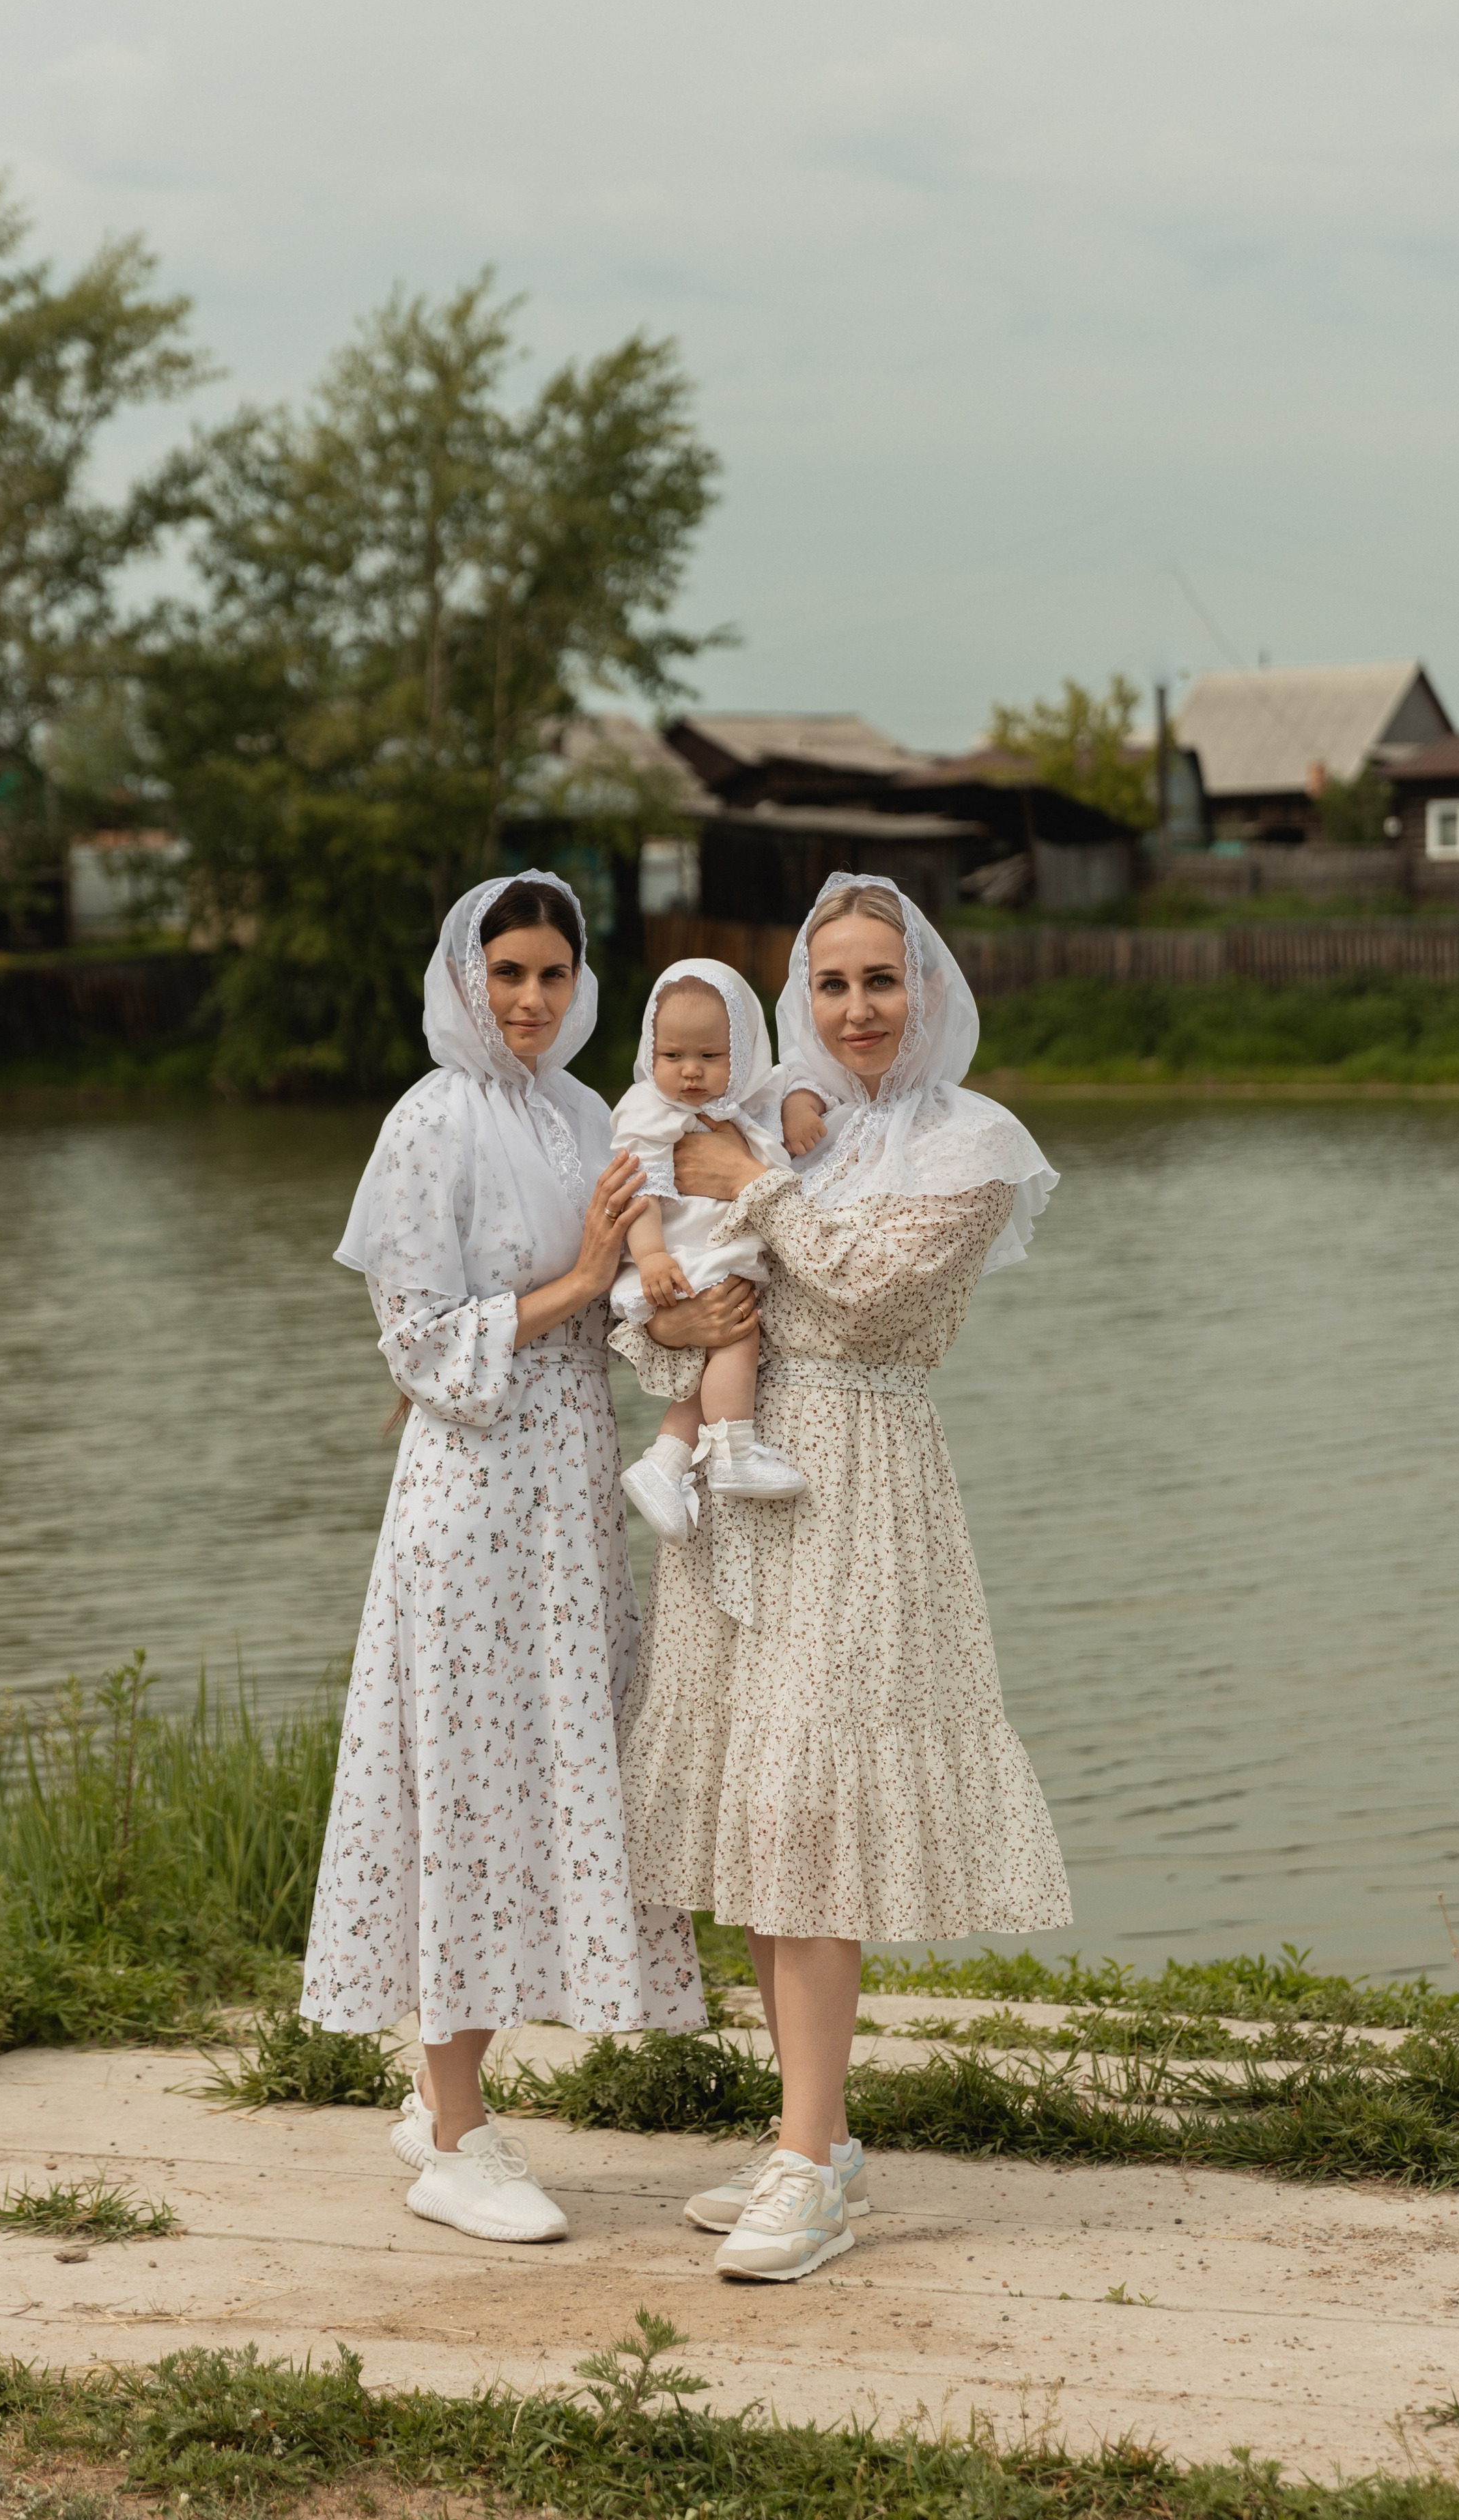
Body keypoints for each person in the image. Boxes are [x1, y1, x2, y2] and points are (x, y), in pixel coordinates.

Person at [612, 872, 1071, 2284]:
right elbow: (679, 1310)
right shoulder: (763, 1122)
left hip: (858, 1480)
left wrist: (753, 1189)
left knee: (809, 1809)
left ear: (923, 991)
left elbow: (870, 1295)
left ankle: (809, 2168)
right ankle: (810, 2132)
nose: (857, 1009)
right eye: (829, 985)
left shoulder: (970, 1142)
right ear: (798, 1000)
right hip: (733, 1477)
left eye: (881, 980)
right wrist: (673, 1310)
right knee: (759, 1804)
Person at [300, 870, 705, 2247]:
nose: (527, 999)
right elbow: (419, 1345)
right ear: (464, 979)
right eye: (506, 974)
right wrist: (582, 1285)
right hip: (469, 1498)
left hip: (570, 1496)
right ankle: (455, 2128)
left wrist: (670, 1296)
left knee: (548, 1778)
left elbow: (623, 1301)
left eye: (549, 974)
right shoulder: (431, 1121)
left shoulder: (590, 1114)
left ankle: (440, 2094)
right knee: (466, 1784)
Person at [611, 958, 808, 1540]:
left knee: (711, 1357)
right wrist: (649, 1257)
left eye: (710, 1057)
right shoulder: (652, 1110)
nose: (690, 1073)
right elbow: (638, 1190)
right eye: (672, 1057)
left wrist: (803, 1108)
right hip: (687, 1253)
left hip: (713, 1250)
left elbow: (801, 1080)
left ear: (742, 1054)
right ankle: (731, 1453)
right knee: (737, 1334)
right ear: (652, 1053)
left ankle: (665, 1463)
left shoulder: (748, 1104)